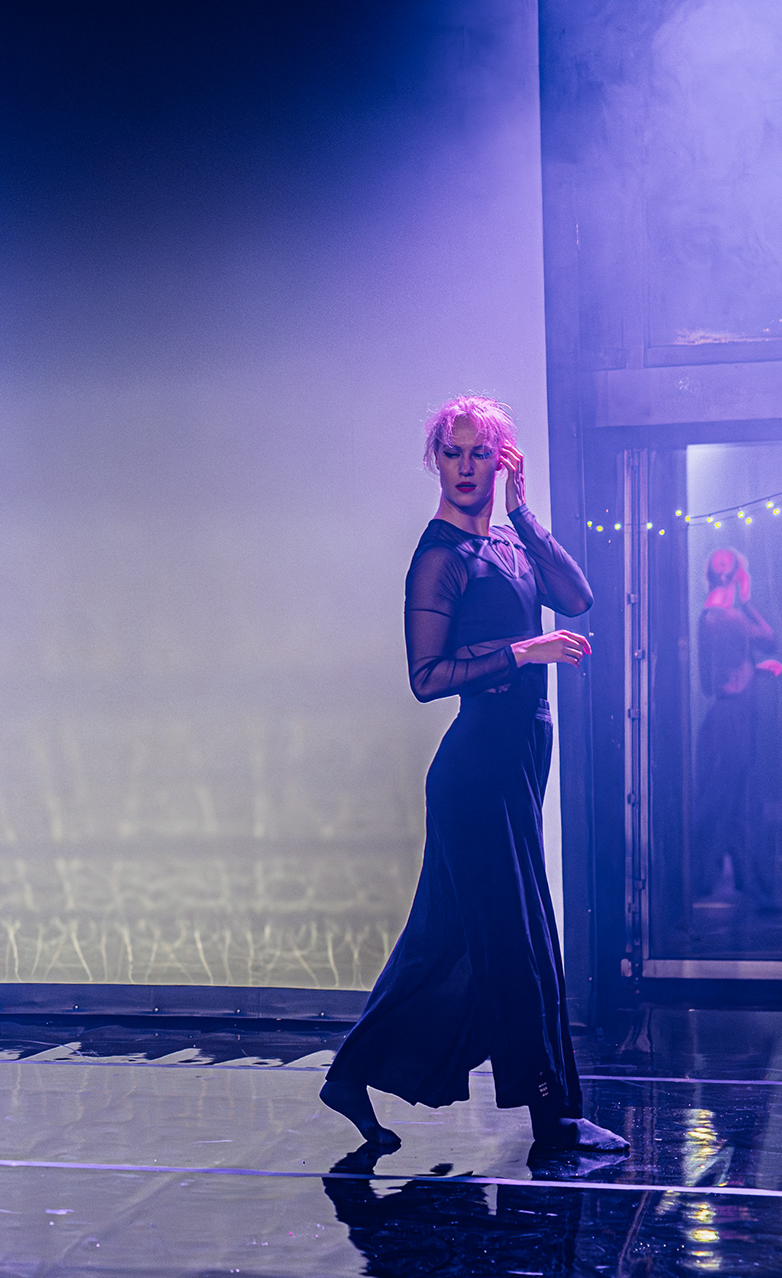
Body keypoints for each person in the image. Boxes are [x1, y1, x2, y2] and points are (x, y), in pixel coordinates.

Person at [318, 396, 627, 1154]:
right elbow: (425, 677)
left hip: (516, 762)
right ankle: (552, 1120)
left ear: (502, 461)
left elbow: (578, 598)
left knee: (442, 940)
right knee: (518, 945)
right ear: (436, 460)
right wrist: (523, 652)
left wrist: (523, 513)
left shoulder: (509, 544)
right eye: (452, 453)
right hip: (476, 775)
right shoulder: (440, 558)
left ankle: (349, 1075)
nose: (464, 467)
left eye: (479, 453)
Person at [693, 548, 780, 909]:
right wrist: (744, 601)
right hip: (730, 714)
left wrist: (758, 667)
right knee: (727, 797)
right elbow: (762, 638)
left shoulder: (726, 612)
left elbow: (756, 644)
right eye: (720, 561)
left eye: (729, 560)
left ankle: (742, 878)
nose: (724, 565)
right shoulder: (717, 612)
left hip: (740, 710)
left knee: (738, 797)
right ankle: (725, 878)